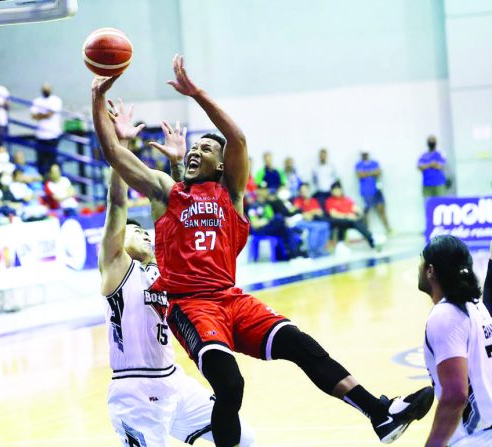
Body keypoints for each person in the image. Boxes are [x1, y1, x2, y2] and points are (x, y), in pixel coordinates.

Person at [92, 54, 434, 447]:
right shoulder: (168, 193)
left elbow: (237, 139)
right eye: (194, 148)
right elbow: (115, 157)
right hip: (190, 306)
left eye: (206, 149)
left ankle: (378, 413)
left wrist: (197, 93)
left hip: (231, 300)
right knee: (230, 383)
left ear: (221, 166)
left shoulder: (230, 195)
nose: (195, 152)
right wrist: (98, 100)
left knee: (301, 345)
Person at [100, 101, 254, 446]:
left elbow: (180, 206)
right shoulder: (116, 268)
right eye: (132, 231)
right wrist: (122, 144)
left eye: (144, 231)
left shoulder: (164, 268)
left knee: (245, 438)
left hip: (174, 382)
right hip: (134, 389)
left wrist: (178, 161)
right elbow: (117, 207)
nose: (140, 233)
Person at [418, 236, 492, 447]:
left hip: (474, 437)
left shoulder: (446, 315)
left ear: (430, 270)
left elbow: (455, 394)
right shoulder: (476, 306)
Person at [325, 182, 376, 250]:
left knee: (358, 220)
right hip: (339, 220)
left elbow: (355, 207)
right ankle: (371, 238)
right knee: (353, 221)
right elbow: (333, 214)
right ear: (332, 191)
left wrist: (360, 212)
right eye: (335, 190)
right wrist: (347, 216)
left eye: (338, 189)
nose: (337, 192)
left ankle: (371, 239)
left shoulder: (346, 199)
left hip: (351, 220)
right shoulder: (330, 201)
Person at [31, 82, 63, 175]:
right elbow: (33, 116)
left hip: (53, 135)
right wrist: (45, 114)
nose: (46, 90)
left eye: (48, 88)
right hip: (40, 136)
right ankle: (43, 181)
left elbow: (50, 114)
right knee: (40, 161)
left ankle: (53, 179)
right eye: (44, 88)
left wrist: (40, 114)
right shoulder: (37, 101)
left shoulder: (56, 100)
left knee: (52, 161)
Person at [356, 151, 391, 233]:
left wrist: (366, 173)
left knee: (381, 210)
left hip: (376, 190)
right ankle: (366, 231)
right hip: (366, 191)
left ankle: (388, 229)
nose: (364, 155)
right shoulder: (358, 164)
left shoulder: (374, 162)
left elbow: (379, 172)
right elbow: (360, 175)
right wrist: (372, 172)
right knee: (366, 212)